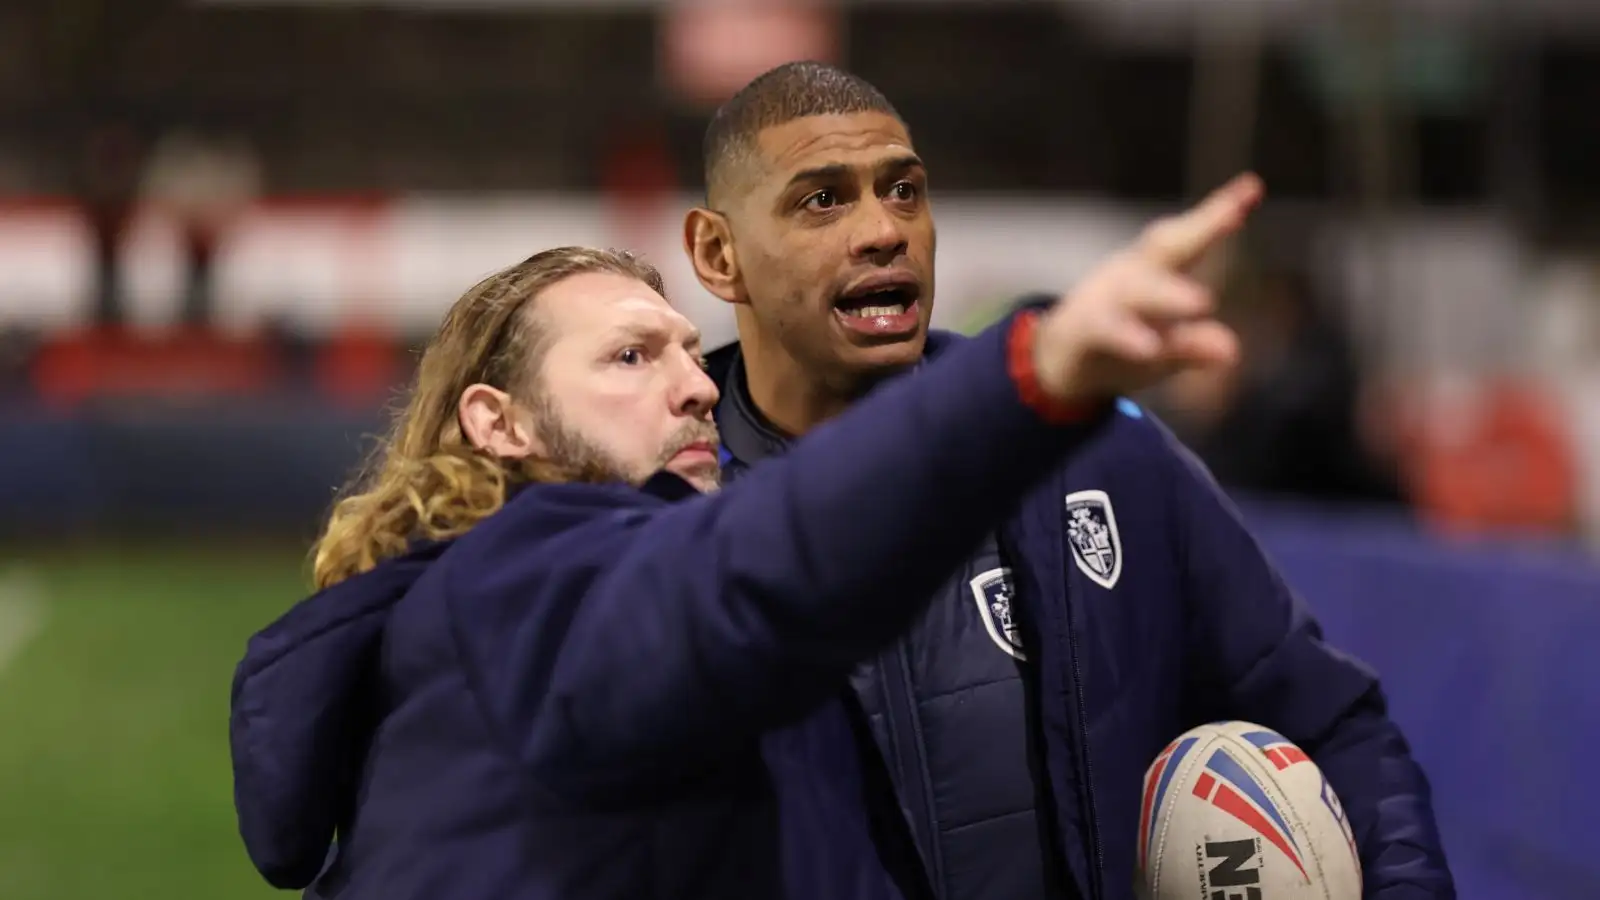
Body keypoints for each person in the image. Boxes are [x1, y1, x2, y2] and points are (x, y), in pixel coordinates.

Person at [229, 226, 1244, 900]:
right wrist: (1027, 373)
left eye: (686, 351)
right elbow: (747, 578)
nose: (696, 387)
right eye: (631, 357)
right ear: (498, 422)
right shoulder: (517, 587)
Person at [682, 61, 1453, 900]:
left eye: (904, 190)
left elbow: (1333, 724)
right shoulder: (664, 520)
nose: (882, 229)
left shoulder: (1097, 459)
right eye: (823, 200)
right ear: (719, 255)